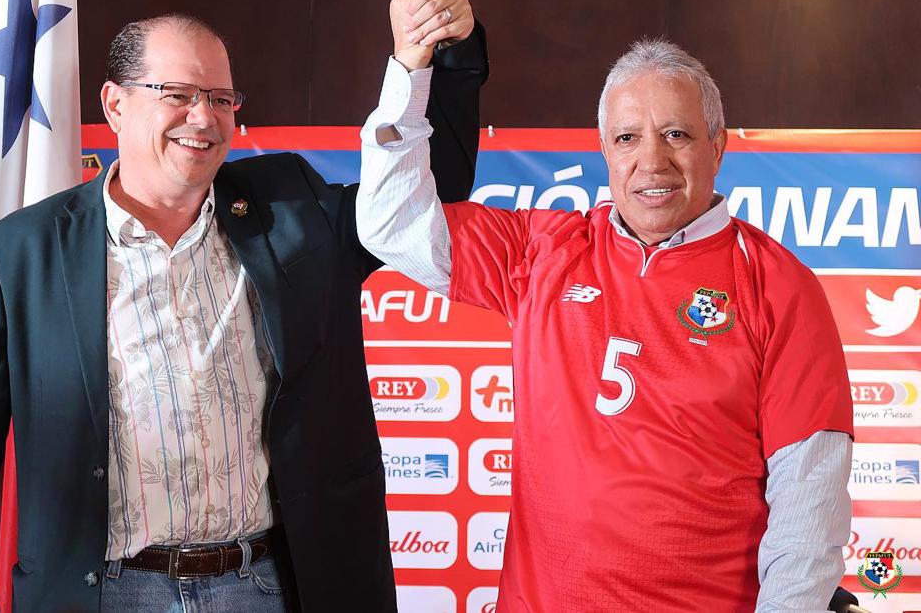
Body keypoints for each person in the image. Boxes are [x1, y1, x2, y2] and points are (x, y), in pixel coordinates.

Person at [0, 0, 485, 613]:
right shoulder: (22, 254)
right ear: (115, 104)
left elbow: (419, 200)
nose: (203, 117)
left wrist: (435, 56)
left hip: (272, 586)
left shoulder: (293, 208)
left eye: (221, 98)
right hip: (106, 594)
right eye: (176, 93)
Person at [357, 35, 854, 610]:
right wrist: (410, 64)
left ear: (717, 147)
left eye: (676, 134)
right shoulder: (543, 252)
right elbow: (390, 222)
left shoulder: (780, 286)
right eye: (627, 138)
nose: (652, 161)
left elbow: (809, 503)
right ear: (605, 152)